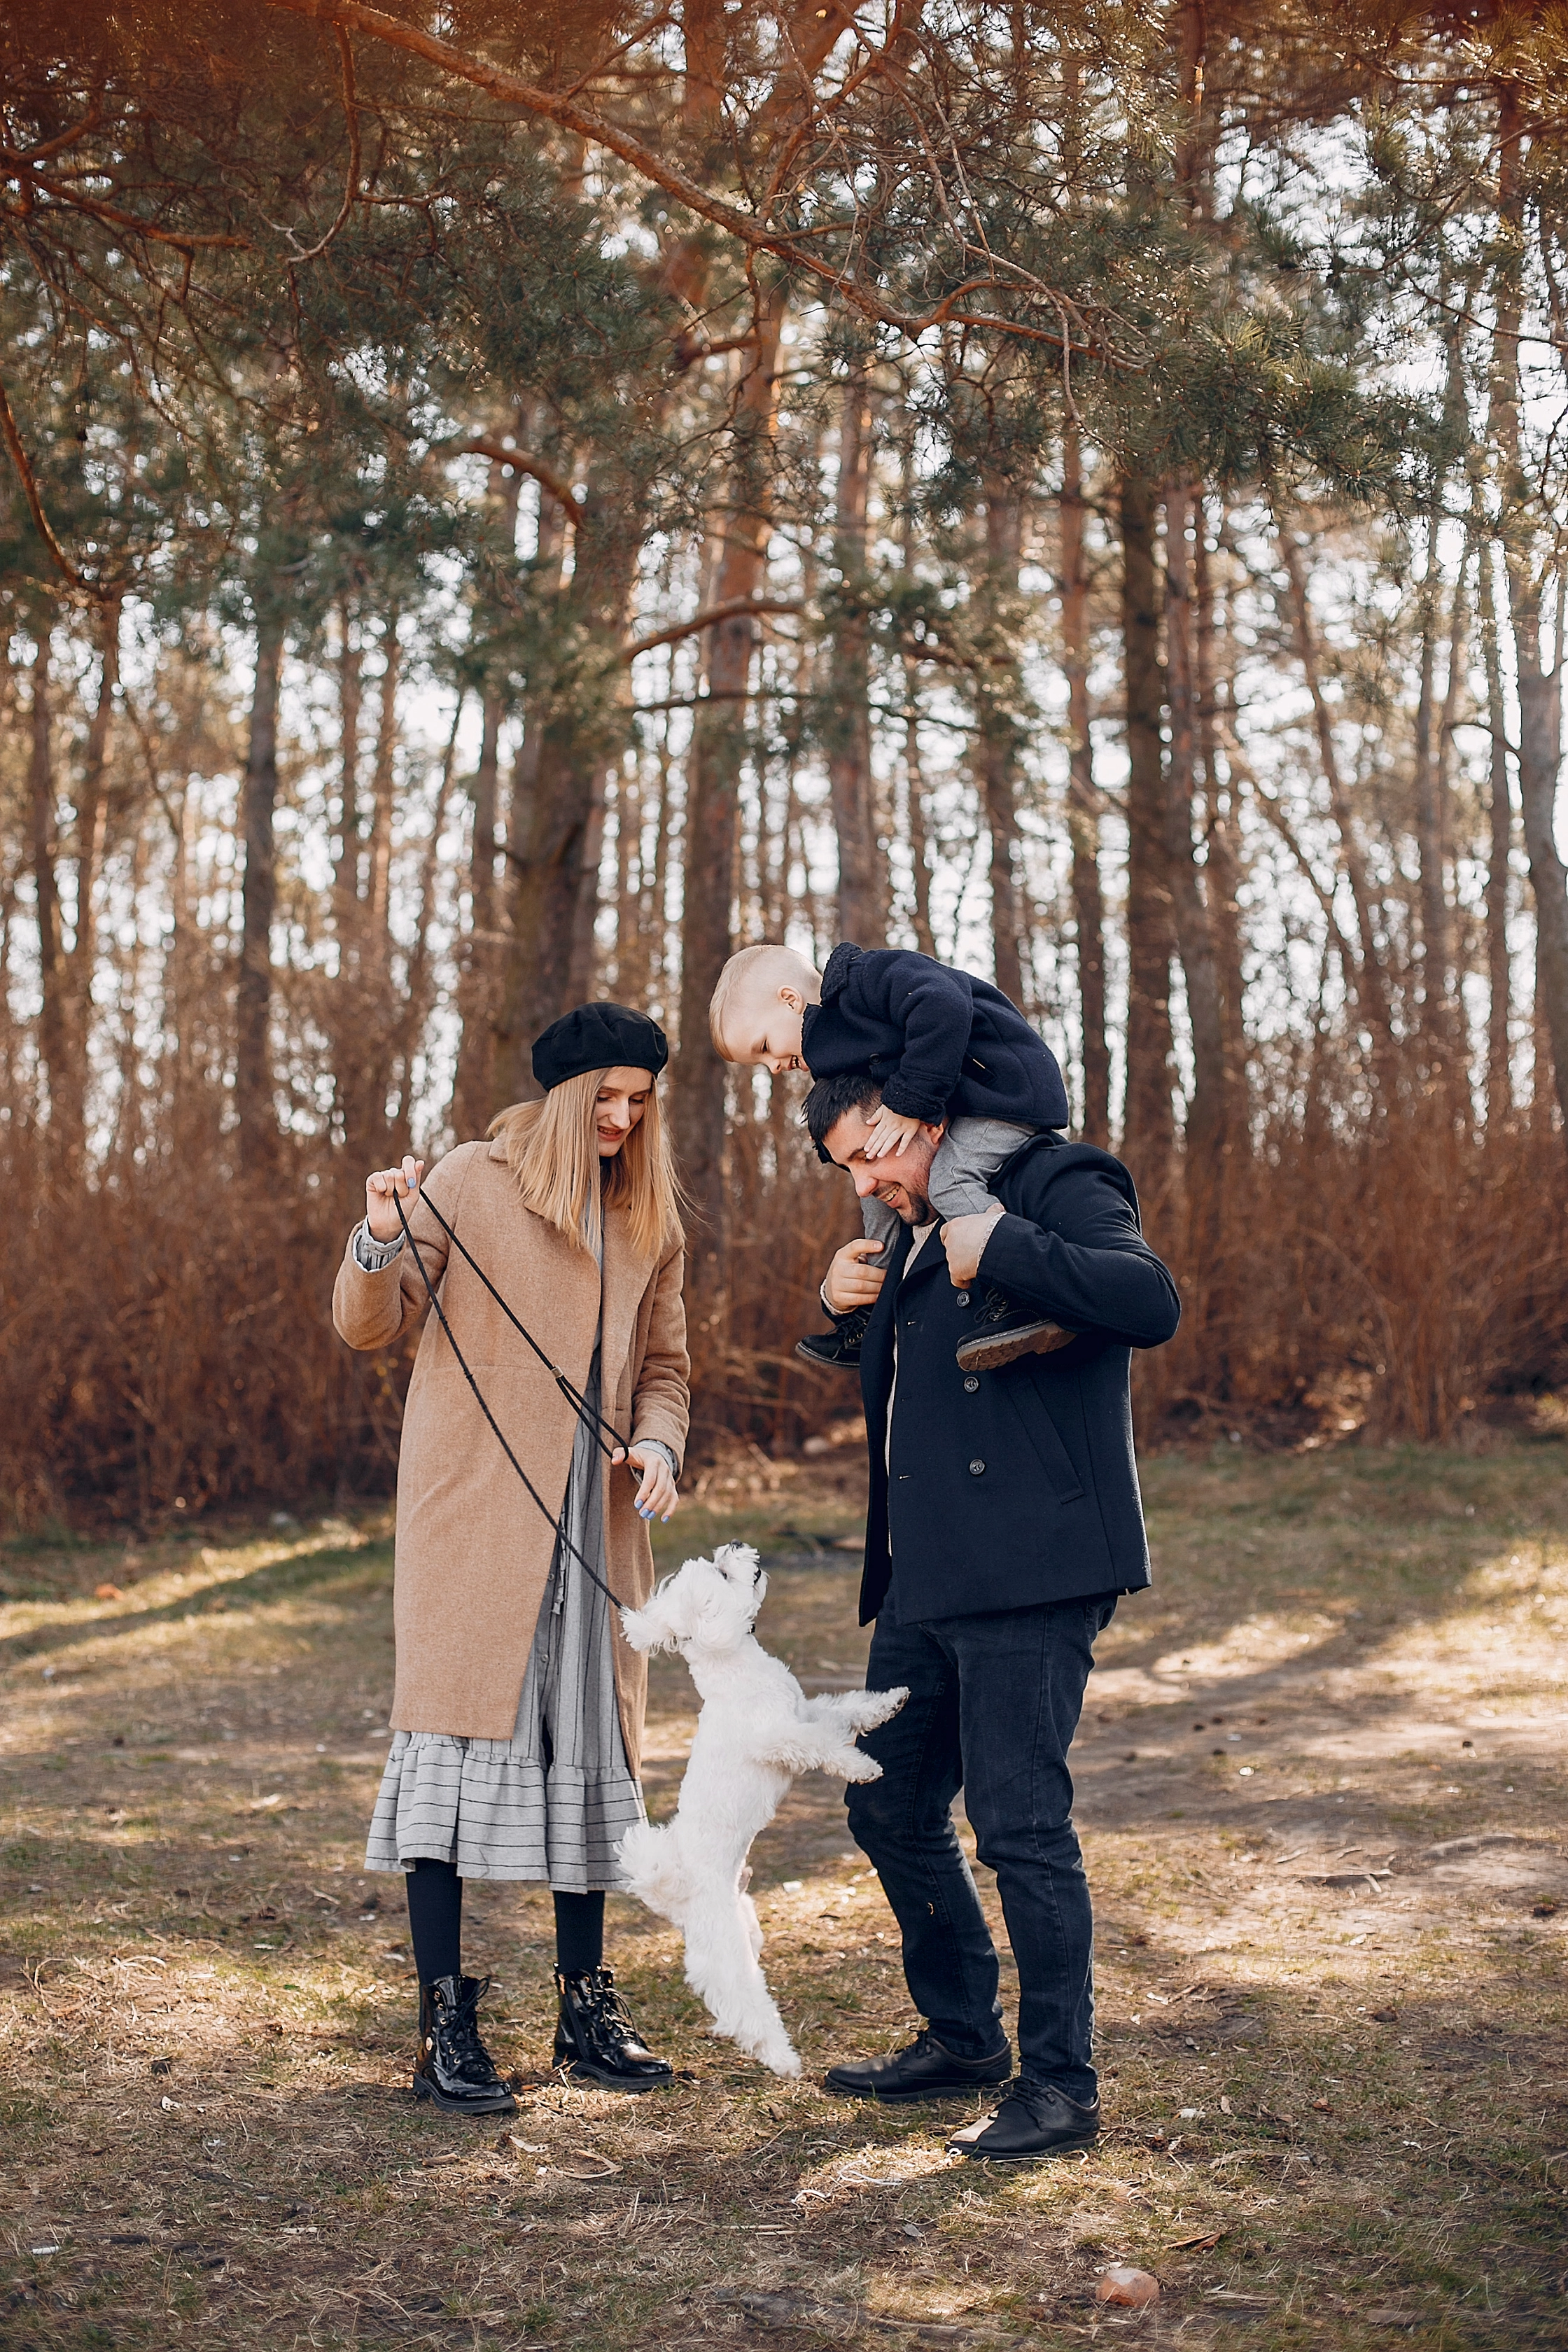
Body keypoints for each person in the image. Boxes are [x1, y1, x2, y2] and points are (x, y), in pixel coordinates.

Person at [802, 1068, 1180, 2161]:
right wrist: (840, 1311)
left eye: (877, 1150)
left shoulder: (1058, 1177)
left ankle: (1062, 2086)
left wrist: (1004, 1244)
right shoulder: (906, 1223)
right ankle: (966, 2037)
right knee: (889, 1805)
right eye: (849, 1170)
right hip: (928, 1575)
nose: (871, 1180)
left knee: (1020, 1829)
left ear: (926, 1116)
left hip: (1038, 1561)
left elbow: (1147, 1301)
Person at [332, 1003, 690, 2113]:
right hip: (474, 1521)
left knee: (593, 1761)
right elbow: (368, 1322)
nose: (624, 1119)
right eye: (607, 1100)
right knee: (446, 1763)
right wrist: (379, 1231)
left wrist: (662, 1445)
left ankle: (586, 2009)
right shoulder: (469, 1180)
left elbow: (669, 1366)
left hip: (596, 1525)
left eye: (641, 1101)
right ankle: (444, 2023)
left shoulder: (650, 1218)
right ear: (562, 1098)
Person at [710, 941, 1072, 1373]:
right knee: (872, 1198)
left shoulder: (864, 979)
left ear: (790, 1000)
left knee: (950, 1180)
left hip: (1004, 1092)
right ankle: (868, 1319)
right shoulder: (832, 1053)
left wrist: (907, 1101)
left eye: (765, 1046)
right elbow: (844, 1121)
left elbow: (943, 1005)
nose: (773, 1067)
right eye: (759, 1063)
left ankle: (1021, 1297)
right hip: (957, 1105)